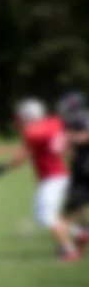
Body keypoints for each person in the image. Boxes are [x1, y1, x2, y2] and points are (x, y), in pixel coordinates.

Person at [0, 98, 80, 261]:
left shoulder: (33, 132)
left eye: (22, 116)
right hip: (61, 175)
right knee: (45, 216)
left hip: (52, 178)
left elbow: (22, 157)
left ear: (30, 116)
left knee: (46, 217)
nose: (20, 120)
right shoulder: (55, 122)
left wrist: (4, 167)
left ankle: (69, 250)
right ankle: (79, 235)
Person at [56, 92, 89, 250]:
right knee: (74, 204)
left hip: (85, 170)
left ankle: (71, 244)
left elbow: (85, 136)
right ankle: (83, 230)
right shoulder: (75, 119)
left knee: (67, 211)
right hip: (79, 169)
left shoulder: (80, 118)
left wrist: (68, 137)